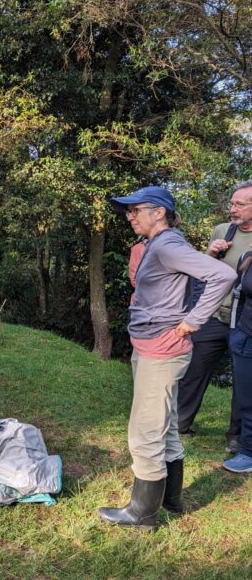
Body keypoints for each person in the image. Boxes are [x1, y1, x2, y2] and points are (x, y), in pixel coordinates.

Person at [99, 186, 235, 529]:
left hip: (160, 350)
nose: (130, 216)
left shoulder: (166, 244)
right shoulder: (161, 244)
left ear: (159, 212)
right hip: (153, 347)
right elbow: (192, 282)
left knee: (145, 430)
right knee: (166, 424)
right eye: (128, 211)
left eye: (136, 210)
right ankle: (171, 500)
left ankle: (143, 513)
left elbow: (223, 275)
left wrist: (192, 321)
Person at [177, 181, 252, 453]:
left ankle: (235, 436)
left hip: (244, 322)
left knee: (243, 381)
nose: (232, 209)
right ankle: (179, 423)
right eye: (232, 203)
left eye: (239, 204)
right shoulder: (223, 230)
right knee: (193, 371)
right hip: (215, 316)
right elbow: (204, 272)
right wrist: (210, 253)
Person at [223, 251, 252, 472]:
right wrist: (236, 333)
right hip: (246, 337)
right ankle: (248, 452)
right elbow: (239, 297)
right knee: (246, 399)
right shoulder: (248, 257)